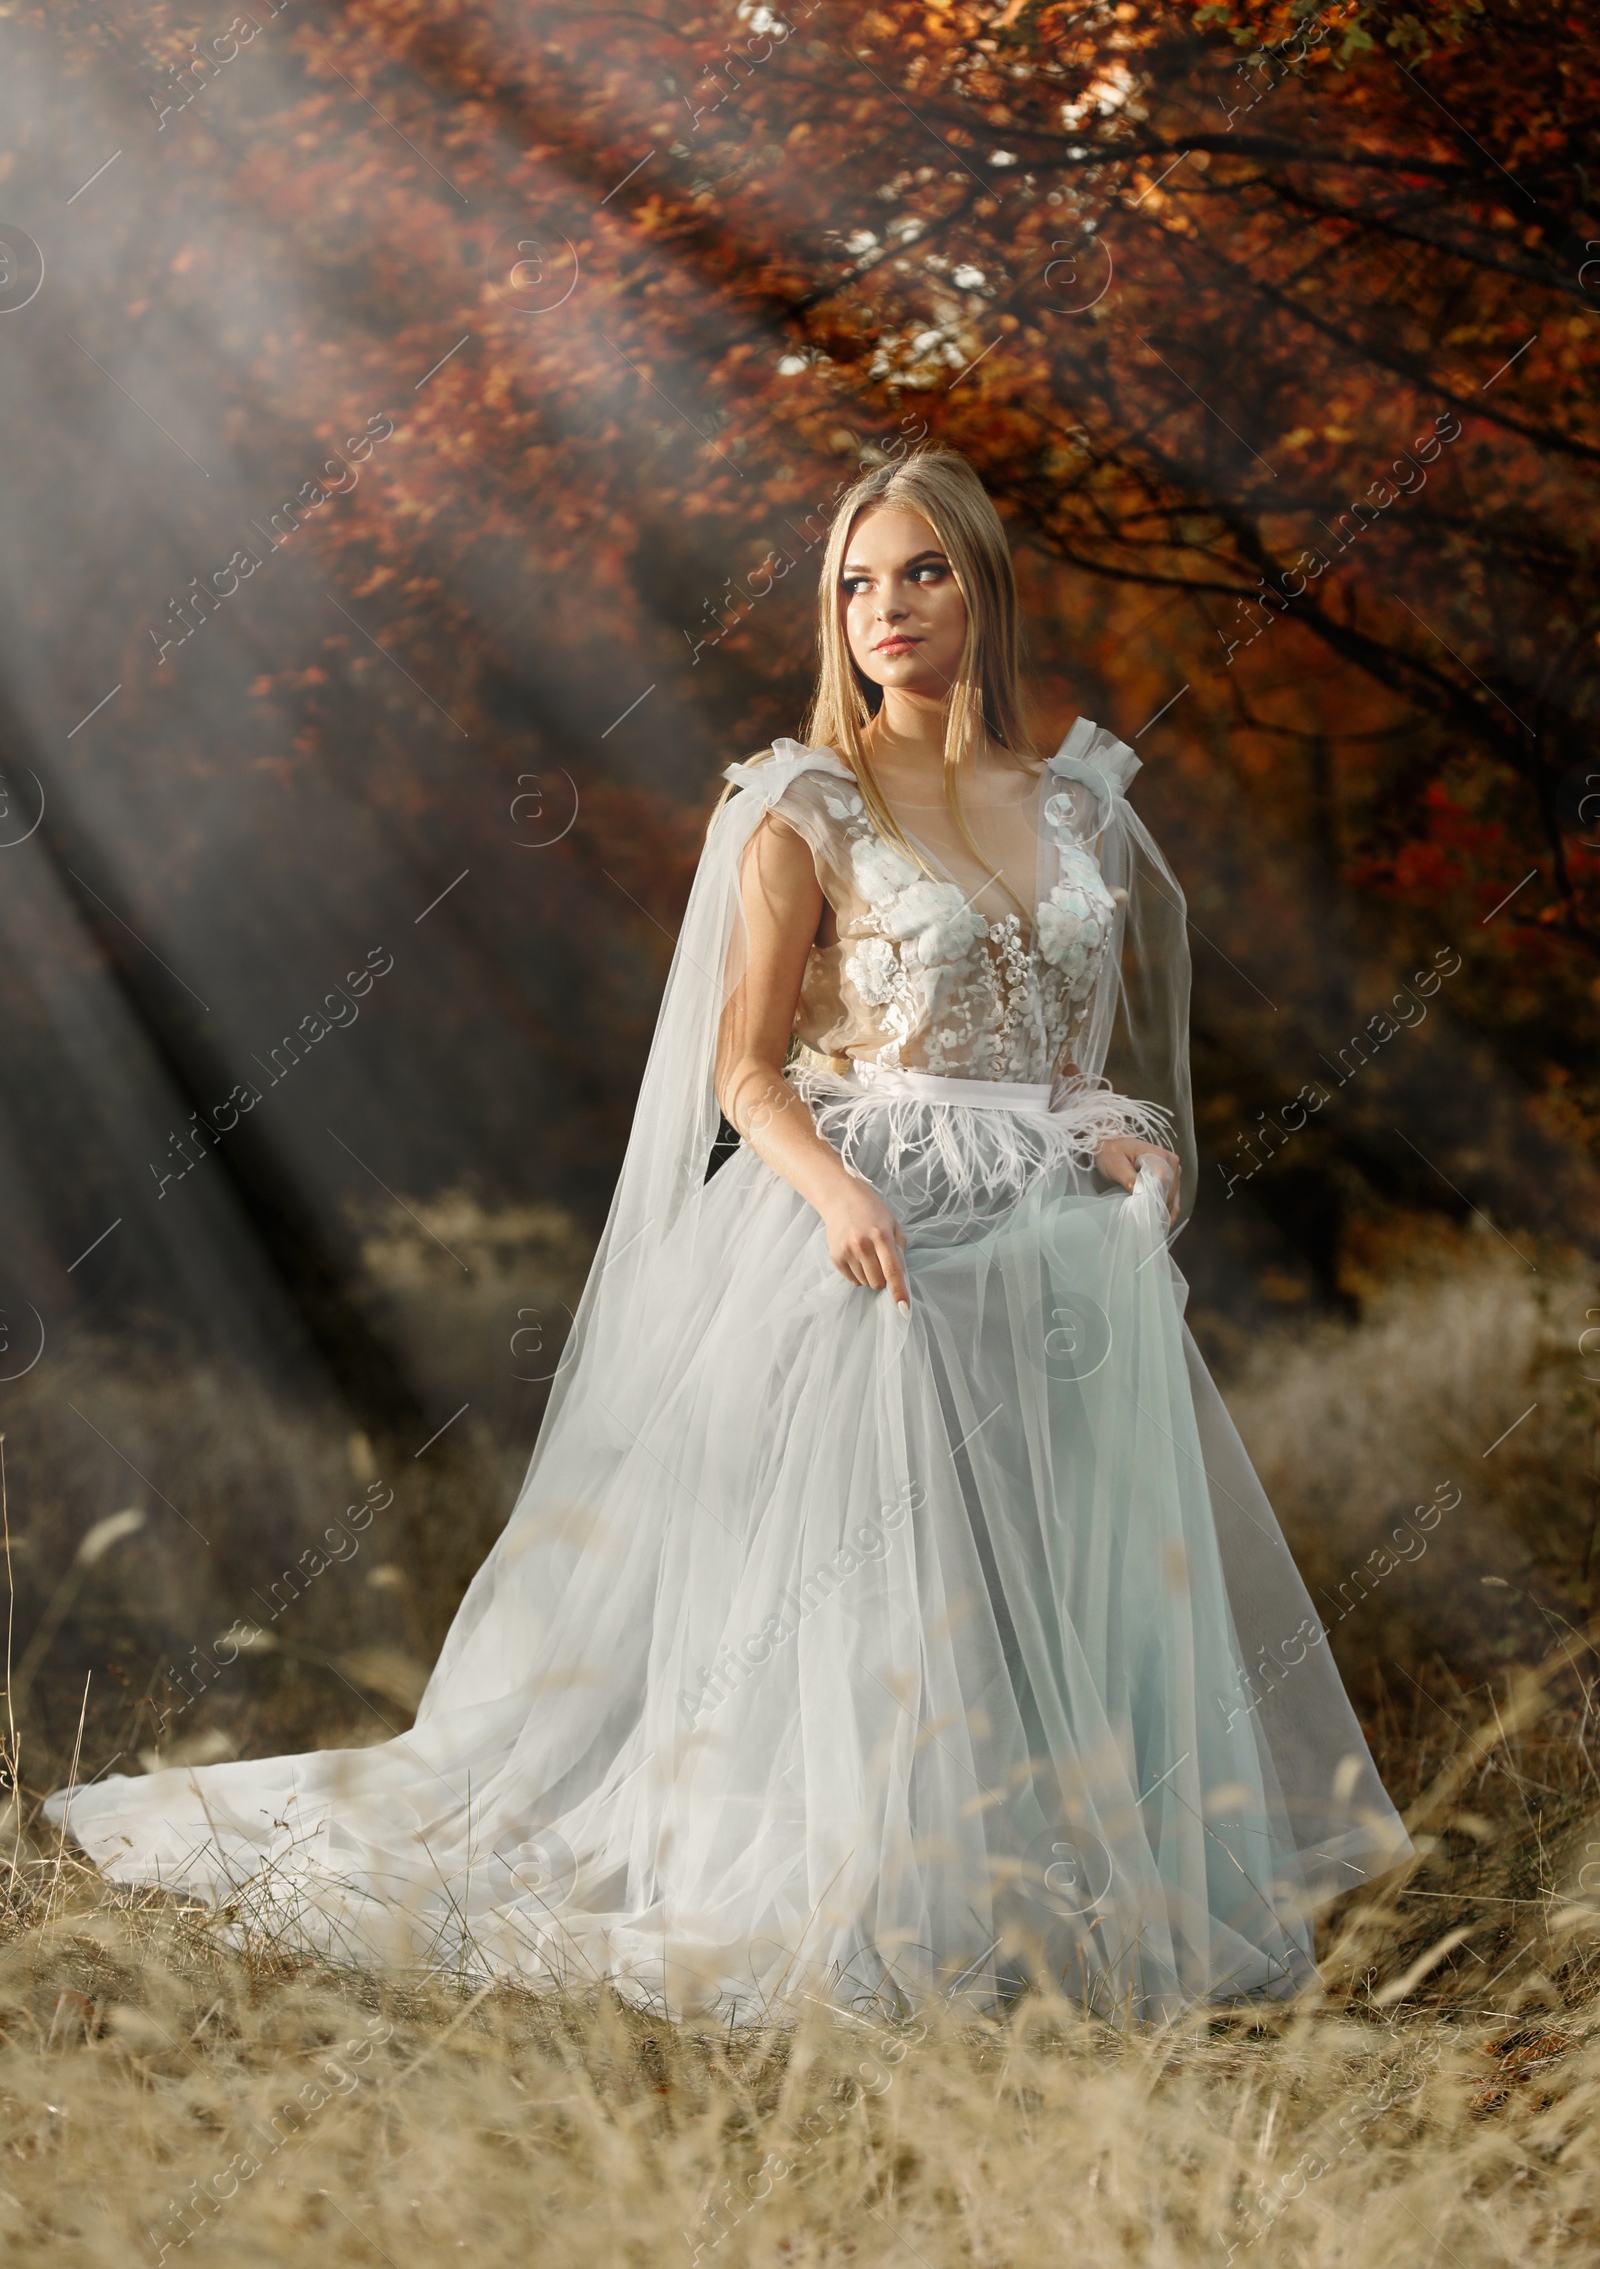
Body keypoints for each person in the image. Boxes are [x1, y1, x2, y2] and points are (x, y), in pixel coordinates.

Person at [47, 446, 1410, 2024]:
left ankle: (1067, 1894)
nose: (884, 609)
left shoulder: (1083, 808)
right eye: (854, 583)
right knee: (890, 1576)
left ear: (985, 588)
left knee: (1056, 1569)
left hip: (1045, 1247)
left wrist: (1131, 1145)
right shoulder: (803, 804)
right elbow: (745, 1068)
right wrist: (834, 1189)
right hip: (863, 1221)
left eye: (922, 572)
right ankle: (893, 1899)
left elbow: (1081, 1063)